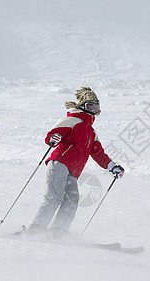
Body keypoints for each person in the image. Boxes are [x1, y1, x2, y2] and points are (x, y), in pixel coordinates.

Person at [28, 87, 124, 235]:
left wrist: (112, 166)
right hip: (59, 163)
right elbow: (52, 135)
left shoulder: (91, 132)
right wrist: (53, 139)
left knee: (72, 200)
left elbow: (99, 154)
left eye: (95, 106)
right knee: (54, 197)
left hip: (73, 172)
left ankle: (58, 232)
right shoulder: (71, 120)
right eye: (89, 106)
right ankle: (36, 229)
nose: (92, 109)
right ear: (82, 106)